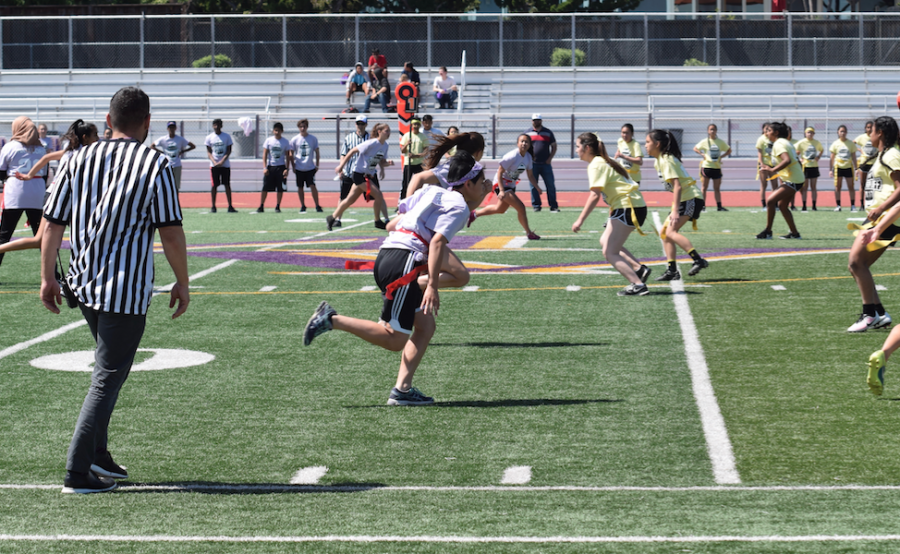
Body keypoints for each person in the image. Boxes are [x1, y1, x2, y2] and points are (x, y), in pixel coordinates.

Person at [41, 86, 189, 494]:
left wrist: (46, 276)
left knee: (111, 371)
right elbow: (171, 232)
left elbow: (52, 224)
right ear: (146, 123)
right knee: (107, 377)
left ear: (108, 121)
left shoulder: (76, 159)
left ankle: (99, 454)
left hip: (82, 282)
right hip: (124, 288)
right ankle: (77, 470)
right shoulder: (155, 163)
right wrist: (183, 281)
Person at [303, 152, 490, 406]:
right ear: (467, 184)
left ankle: (402, 390)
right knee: (394, 339)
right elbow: (436, 242)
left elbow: (394, 222)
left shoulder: (432, 193)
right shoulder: (457, 205)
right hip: (403, 263)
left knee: (425, 327)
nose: (485, 186)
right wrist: (432, 284)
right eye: (481, 182)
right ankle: (331, 319)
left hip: (391, 255)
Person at [572, 132, 651, 296]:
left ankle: (638, 284)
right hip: (631, 206)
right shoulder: (604, 162)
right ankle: (639, 269)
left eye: (578, 146)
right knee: (605, 241)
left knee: (609, 252)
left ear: (587, 148)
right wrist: (611, 216)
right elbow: (614, 191)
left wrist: (579, 221)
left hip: (628, 207)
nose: (576, 149)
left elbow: (595, 195)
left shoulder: (596, 164)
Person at [5, 120, 100, 256]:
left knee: (41, 240)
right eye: (95, 135)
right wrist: (29, 176)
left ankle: (53, 275)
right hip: (58, 196)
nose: (98, 138)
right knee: (44, 240)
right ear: (85, 137)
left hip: (58, 195)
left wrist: (29, 175)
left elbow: (46, 158)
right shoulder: (82, 154)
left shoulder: (72, 152)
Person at [846, 116, 900, 334]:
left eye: (872, 129)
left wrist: (880, 211)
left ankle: (870, 315)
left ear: (882, 133)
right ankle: (878, 312)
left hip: (887, 218)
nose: (869, 132)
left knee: (856, 263)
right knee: (858, 266)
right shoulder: (883, 154)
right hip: (878, 217)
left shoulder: (892, 154)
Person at [645, 129, 709, 280]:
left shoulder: (666, 160)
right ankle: (672, 270)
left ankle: (698, 260)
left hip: (690, 197)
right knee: (665, 234)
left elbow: (678, 186)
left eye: (648, 142)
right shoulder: (659, 160)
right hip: (684, 198)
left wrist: (675, 211)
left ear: (657, 144)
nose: (645, 145)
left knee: (671, 232)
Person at [0, 117, 48, 275]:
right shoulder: (42, 148)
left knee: (4, 235)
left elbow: (1, 171)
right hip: (37, 191)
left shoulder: (10, 147)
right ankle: (53, 274)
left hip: (15, 192)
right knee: (41, 236)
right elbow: (46, 173)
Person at [474, 134, 542, 240]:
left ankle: (474, 214)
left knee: (500, 209)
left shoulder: (528, 158)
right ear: (517, 143)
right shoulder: (512, 156)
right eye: (522, 141)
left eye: (526, 142)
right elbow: (500, 173)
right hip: (501, 184)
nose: (524, 144)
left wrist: (537, 187)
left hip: (510, 185)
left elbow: (530, 175)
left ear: (529, 145)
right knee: (521, 207)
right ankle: (529, 233)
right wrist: (501, 190)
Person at [328, 122, 393, 231]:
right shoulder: (371, 143)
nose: (388, 133)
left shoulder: (385, 146)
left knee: (349, 200)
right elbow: (352, 151)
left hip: (367, 175)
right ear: (379, 132)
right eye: (386, 131)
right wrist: (341, 166)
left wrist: (387, 164)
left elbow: (381, 162)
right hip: (358, 174)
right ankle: (377, 221)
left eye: (389, 131)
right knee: (378, 195)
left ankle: (331, 218)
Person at [756, 122, 805, 240]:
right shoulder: (785, 142)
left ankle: (768, 231)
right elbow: (795, 161)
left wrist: (772, 169)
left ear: (776, 133)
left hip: (793, 180)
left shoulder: (779, 144)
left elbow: (787, 160)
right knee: (782, 206)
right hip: (794, 178)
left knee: (770, 201)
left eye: (769, 130)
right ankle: (794, 233)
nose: (766, 132)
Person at [336, 116, 371, 221]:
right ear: (356, 124)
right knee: (343, 197)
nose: (360, 126)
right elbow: (343, 154)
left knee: (374, 196)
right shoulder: (349, 137)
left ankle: (378, 219)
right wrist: (341, 168)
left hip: (364, 173)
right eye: (358, 123)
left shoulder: (370, 138)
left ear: (366, 124)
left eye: (362, 123)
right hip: (350, 171)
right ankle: (337, 219)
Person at [693, 124, 732, 212]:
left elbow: (729, 150)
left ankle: (719, 206)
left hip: (717, 167)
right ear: (708, 131)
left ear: (716, 131)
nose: (712, 131)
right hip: (707, 166)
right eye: (710, 129)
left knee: (717, 188)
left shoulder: (720, 142)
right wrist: (702, 154)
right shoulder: (705, 141)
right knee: (704, 187)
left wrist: (721, 156)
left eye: (714, 129)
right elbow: (695, 148)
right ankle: (702, 206)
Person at [526, 114, 558, 214]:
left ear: (541, 121)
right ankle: (536, 206)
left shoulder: (548, 132)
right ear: (531, 121)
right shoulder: (527, 133)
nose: (536, 122)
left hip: (545, 164)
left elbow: (554, 146)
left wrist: (550, 158)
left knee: (550, 185)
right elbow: (523, 146)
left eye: (538, 120)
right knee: (533, 186)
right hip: (533, 164)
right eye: (534, 120)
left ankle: (553, 206)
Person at [256, 122, 291, 213]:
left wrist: (287, 169)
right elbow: (265, 155)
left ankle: (278, 206)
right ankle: (261, 205)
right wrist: (264, 167)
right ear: (273, 131)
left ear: (282, 131)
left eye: (278, 131)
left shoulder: (285, 142)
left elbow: (288, 156)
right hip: (270, 167)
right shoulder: (269, 140)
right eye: (275, 130)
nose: (276, 132)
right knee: (265, 187)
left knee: (280, 188)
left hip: (281, 167)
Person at [151, 121, 195, 192]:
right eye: (170, 127)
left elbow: (192, 146)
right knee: (166, 185)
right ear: (167, 129)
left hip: (177, 164)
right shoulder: (163, 139)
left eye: (173, 127)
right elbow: (152, 146)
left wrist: (182, 151)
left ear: (175, 128)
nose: (171, 129)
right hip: (166, 165)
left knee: (176, 186)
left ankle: (175, 202)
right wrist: (161, 153)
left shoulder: (180, 139)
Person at [205, 118, 236, 213]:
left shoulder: (226, 136)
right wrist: (214, 162)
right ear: (213, 126)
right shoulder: (209, 137)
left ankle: (230, 206)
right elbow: (209, 152)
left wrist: (222, 161)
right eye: (215, 125)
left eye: (218, 125)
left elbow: (229, 150)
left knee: (227, 185)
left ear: (221, 126)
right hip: (214, 166)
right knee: (214, 185)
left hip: (225, 165)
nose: (217, 127)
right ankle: (213, 206)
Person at [290, 119, 321, 213]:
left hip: (310, 167)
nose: (302, 128)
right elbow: (291, 153)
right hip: (299, 167)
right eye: (301, 127)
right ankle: (303, 205)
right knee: (300, 187)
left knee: (312, 185)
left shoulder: (312, 138)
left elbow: (317, 152)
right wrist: (293, 166)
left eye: (304, 126)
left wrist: (317, 165)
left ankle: (317, 205)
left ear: (307, 127)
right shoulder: (295, 139)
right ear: (298, 127)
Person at [830, 125, 858, 212]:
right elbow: (832, 158)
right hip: (838, 167)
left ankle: (853, 205)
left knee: (851, 186)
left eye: (844, 131)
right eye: (841, 131)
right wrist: (831, 169)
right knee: (838, 186)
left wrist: (856, 168)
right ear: (838, 132)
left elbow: (854, 157)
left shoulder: (850, 143)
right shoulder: (835, 143)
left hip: (848, 167)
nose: (843, 133)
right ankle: (838, 205)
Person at [794, 127, 824, 211]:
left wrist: (818, 156)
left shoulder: (816, 142)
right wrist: (799, 158)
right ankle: (804, 205)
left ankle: (814, 205)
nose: (810, 134)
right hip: (805, 167)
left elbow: (821, 150)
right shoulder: (801, 142)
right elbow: (794, 151)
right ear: (805, 133)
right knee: (805, 187)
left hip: (814, 166)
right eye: (808, 132)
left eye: (811, 133)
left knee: (813, 187)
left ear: (814, 134)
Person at [399, 118, 428, 201]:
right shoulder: (407, 135)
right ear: (411, 125)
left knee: (419, 184)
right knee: (406, 183)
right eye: (414, 124)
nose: (416, 126)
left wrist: (415, 156)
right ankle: (402, 201)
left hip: (419, 164)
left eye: (417, 124)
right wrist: (407, 144)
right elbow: (402, 150)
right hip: (408, 163)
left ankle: (418, 200)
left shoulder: (422, 136)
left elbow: (426, 152)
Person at [856, 121, 877, 208]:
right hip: (864, 163)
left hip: (874, 163)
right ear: (865, 128)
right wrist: (860, 150)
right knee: (863, 184)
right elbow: (852, 143)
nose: (869, 129)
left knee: (873, 185)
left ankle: (872, 203)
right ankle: (861, 204)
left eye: (871, 127)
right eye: (868, 127)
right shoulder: (861, 137)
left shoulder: (876, 137)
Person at [756, 122, 778, 209]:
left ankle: (774, 203)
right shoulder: (761, 139)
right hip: (764, 164)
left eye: (769, 129)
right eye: (766, 128)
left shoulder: (773, 139)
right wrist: (761, 163)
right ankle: (764, 205)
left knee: (775, 185)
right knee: (763, 185)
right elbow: (760, 152)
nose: (767, 130)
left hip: (772, 164)